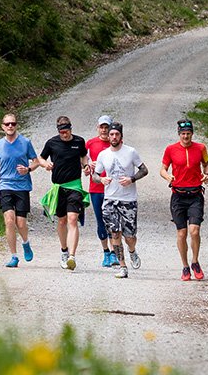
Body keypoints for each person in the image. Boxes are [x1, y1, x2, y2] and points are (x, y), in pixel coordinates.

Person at [91, 122, 149, 279]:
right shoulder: (103, 155)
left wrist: (131, 179)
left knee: (129, 236)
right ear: (108, 136)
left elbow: (144, 170)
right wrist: (101, 180)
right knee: (115, 233)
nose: (114, 137)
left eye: (117, 134)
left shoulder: (130, 152)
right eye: (111, 134)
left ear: (121, 136)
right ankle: (122, 266)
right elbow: (95, 175)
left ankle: (132, 250)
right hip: (110, 200)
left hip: (128, 200)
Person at [160, 119, 208, 281]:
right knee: (181, 233)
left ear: (192, 134)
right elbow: (162, 169)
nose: (186, 137)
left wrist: (207, 175)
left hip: (195, 194)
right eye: (183, 134)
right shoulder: (171, 149)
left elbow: (207, 164)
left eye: (188, 134)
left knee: (194, 231)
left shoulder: (201, 148)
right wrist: (168, 176)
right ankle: (185, 266)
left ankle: (195, 261)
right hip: (178, 195)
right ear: (179, 134)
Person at [37, 116, 89, 271]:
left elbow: (83, 155)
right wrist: (45, 164)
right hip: (58, 187)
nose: (64, 135)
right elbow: (40, 157)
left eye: (66, 132)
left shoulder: (79, 142)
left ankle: (72, 257)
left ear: (71, 129)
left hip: (75, 186)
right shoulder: (52, 143)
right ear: (58, 131)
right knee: (62, 221)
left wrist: (85, 165)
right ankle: (64, 251)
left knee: (73, 219)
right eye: (62, 133)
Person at [0, 113, 39, 268]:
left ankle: (25, 243)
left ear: (17, 125)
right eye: (7, 124)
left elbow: (36, 161)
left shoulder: (25, 142)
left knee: (21, 223)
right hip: (5, 186)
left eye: (13, 123)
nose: (10, 126)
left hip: (22, 186)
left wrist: (28, 169)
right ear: (2, 126)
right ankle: (14, 256)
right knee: (9, 221)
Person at [85, 115, 117, 268]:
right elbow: (83, 161)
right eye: (102, 127)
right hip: (96, 188)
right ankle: (105, 252)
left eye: (107, 127)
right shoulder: (90, 143)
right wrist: (86, 166)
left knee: (113, 221)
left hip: (114, 188)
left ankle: (114, 252)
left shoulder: (117, 144)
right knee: (100, 221)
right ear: (97, 127)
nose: (104, 130)